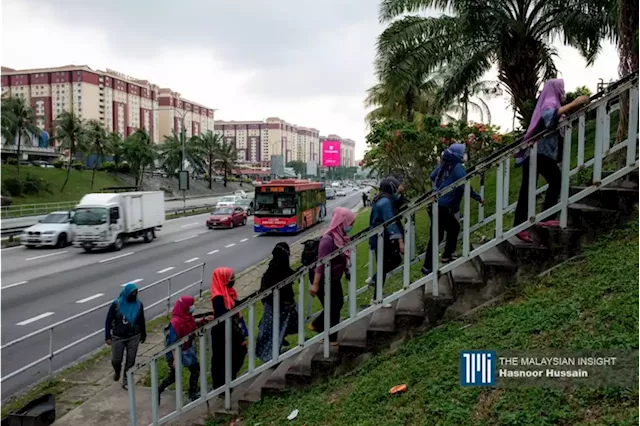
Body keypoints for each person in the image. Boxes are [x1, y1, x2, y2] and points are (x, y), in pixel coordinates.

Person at [513, 79, 590, 242]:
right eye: (562, 89)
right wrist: (575, 103)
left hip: (536, 152)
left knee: (529, 188)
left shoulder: (549, 101)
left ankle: (520, 226)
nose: (564, 92)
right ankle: (546, 216)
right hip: (539, 153)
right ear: (556, 89)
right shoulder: (550, 101)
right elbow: (549, 118)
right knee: (556, 181)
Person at [422, 143, 483, 275]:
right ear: (459, 156)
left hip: (435, 205)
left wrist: (437, 188)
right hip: (443, 207)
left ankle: (430, 265)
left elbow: (432, 177)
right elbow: (465, 187)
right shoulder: (457, 168)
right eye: (463, 153)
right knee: (453, 228)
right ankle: (444, 256)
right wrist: (478, 198)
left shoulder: (444, 165)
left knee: (439, 235)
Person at [308, 207, 355, 344]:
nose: (351, 226)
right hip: (321, 278)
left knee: (336, 304)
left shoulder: (342, 238)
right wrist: (315, 285)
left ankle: (327, 336)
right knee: (333, 305)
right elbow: (321, 264)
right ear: (342, 223)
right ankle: (319, 327)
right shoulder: (328, 240)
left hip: (333, 278)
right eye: (349, 223)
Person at [158, 296, 213, 403]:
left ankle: (192, 392)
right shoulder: (175, 323)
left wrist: (203, 320)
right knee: (174, 376)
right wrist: (175, 359)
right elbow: (172, 343)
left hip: (187, 350)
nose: (192, 307)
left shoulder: (187, 317)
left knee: (195, 369)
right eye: (190, 305)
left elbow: (191, 324)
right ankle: (159, 390)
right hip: (176, 353)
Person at [256, 242, 298, 362]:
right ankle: (269, 358)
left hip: (276, 306)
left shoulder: (275, 269)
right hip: (275, 307)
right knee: (272, 332)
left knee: (275, 331)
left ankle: (272, 355)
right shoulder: (275, 271)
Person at [367, 177, 405, 302]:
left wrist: (401, 193)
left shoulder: (385, 199)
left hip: (381, 238)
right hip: (381, 238)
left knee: (389, 263)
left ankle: (375, 281)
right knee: (386, 264)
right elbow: (391, 222)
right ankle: (376, 297)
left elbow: (400, 201)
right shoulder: (385, 203)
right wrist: (400, 241)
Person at [209, 267, 247, 390]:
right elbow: (223, 314)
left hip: (232, 330)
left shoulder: (229, 292)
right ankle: (221, 387)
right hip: (222, 332)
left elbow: (237, 308)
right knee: (222, 359)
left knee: (238, 355)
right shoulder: (218, 297)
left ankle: (229, 381)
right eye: (230, 278)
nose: (233, 280)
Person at [105, 283, 146, 390]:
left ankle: (126, 380)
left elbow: (141, 320)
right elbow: (108, 319)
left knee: (130, 359)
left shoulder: (139, 305)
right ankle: (117, 372)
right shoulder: (117, 304)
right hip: (118, 336)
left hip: (134, 336)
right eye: (132, 293)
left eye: (136, 293)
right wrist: (107, 336)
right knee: (116, 360)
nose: (134, 295)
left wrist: (143, 333)